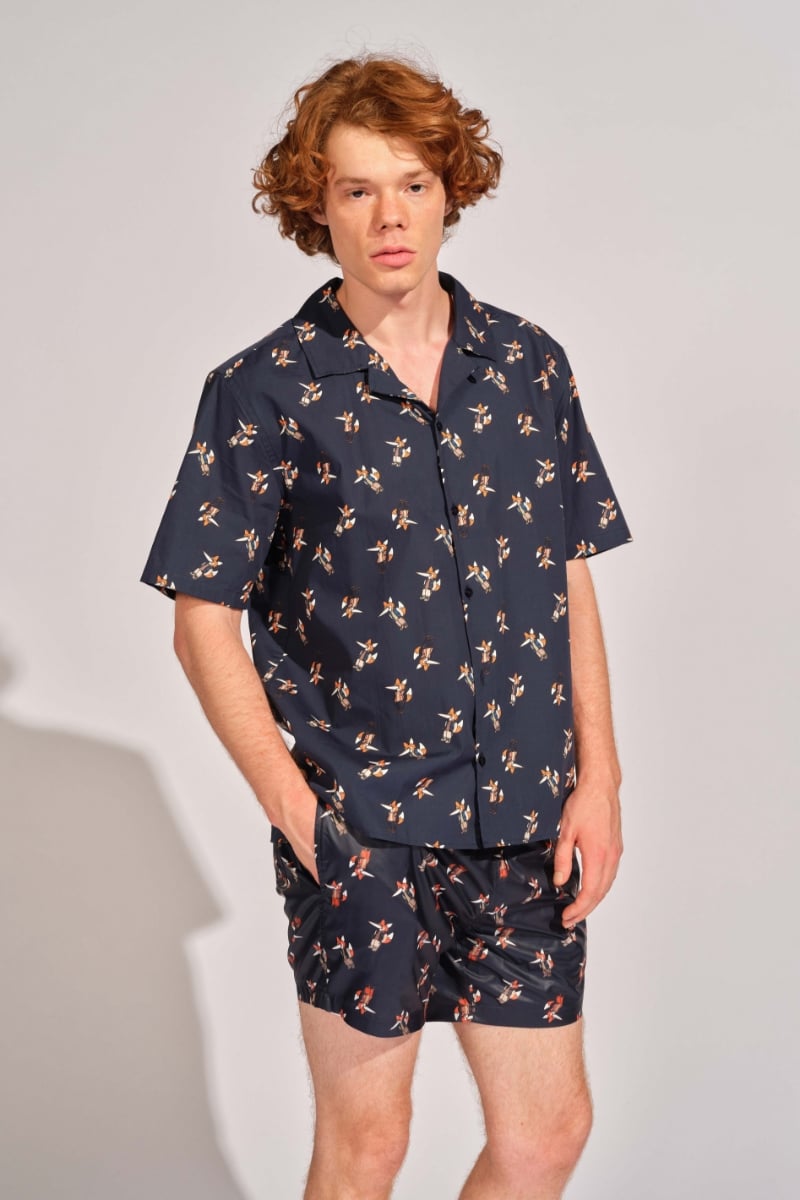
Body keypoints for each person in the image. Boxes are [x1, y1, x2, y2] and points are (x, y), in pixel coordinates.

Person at [141, 53, 633, 1200]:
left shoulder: (527, 366)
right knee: (368, 1146)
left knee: (545, 1137)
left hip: (521, 816)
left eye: (411, 184)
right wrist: (295, 810)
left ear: (450, 189)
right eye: (356, 189)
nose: (389, 217)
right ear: (315, 204)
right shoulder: (262, 390)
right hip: (361, 826)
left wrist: (600, 778)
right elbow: (201, 619)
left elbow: (566, 576)